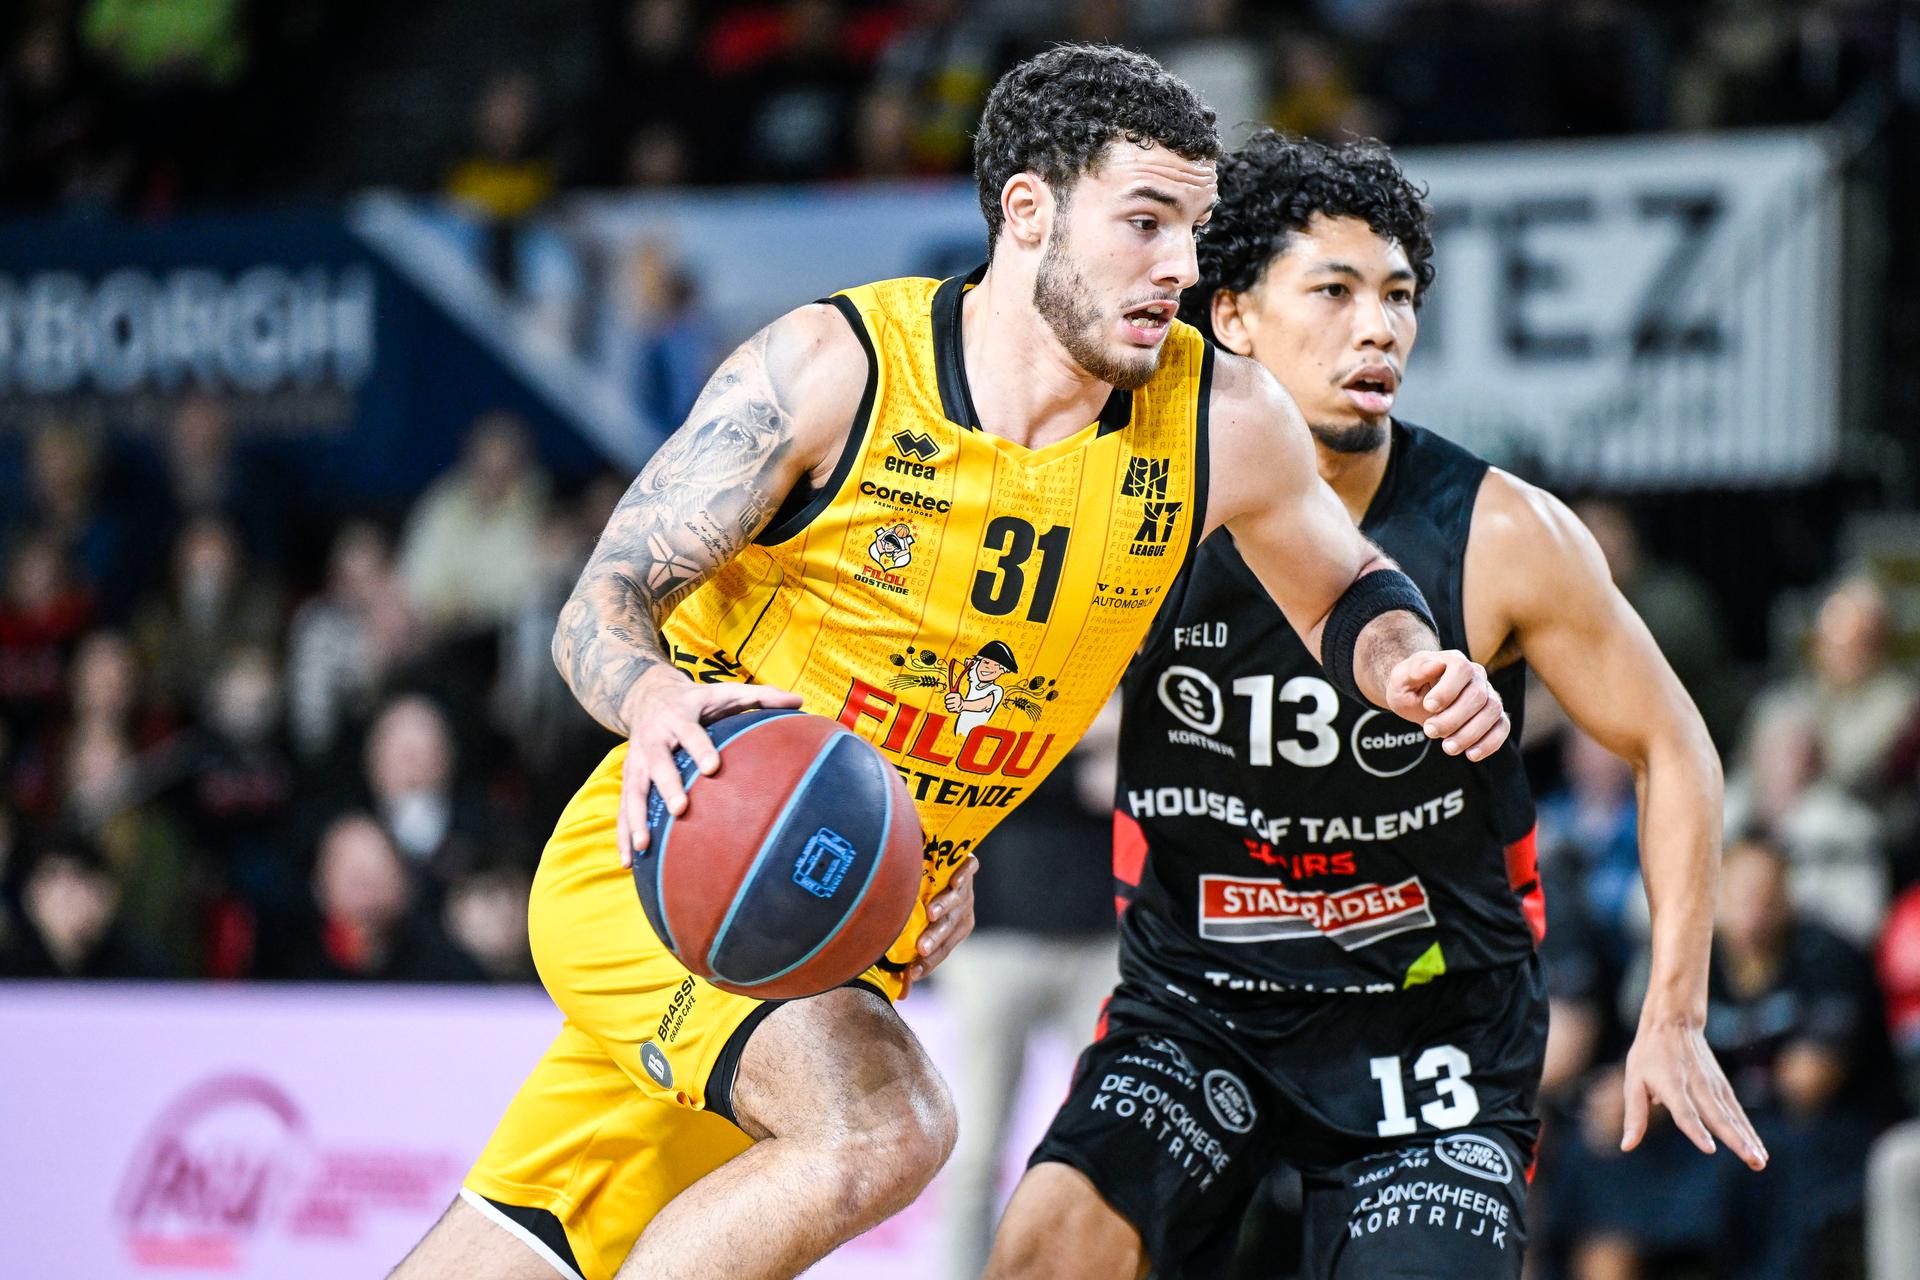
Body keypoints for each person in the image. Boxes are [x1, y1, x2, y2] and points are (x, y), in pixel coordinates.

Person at [392, 47, 1511, 1280]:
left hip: (839, 919)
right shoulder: (837, 371)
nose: (1182, 267)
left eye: (1193, 230)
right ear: (1028, 213)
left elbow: (1347, 582)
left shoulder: (1220, 418)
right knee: (888, 1122)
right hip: (678, 861)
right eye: (1144, 222)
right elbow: (599, 602)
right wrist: (656, 696)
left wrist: (1411, 661)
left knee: (529, 1233)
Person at [984, 130, 1766, 1280]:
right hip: (1203, 1003)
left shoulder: (1501, 531)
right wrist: (940, 858)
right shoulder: (1133, 498)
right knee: (1041, 1252)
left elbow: (1674, 743)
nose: (1379, 328)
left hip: (1433, 1027)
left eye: (1399, 296)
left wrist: (1677, 1013)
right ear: (1235, 317)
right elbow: (983, 684)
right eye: (1336, 290)